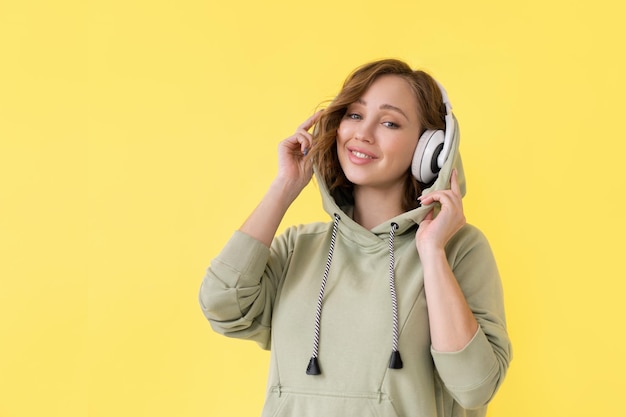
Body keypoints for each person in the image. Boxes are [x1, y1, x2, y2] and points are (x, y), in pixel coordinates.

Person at [199, 59, 511, 417]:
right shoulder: (298, 246)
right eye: (354, 115)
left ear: (430, 149)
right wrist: (284, 187)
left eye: (390, 122)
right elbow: (221, 306)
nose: (363, 133)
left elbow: (474, 386)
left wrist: (432, 253)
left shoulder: (458, 250)